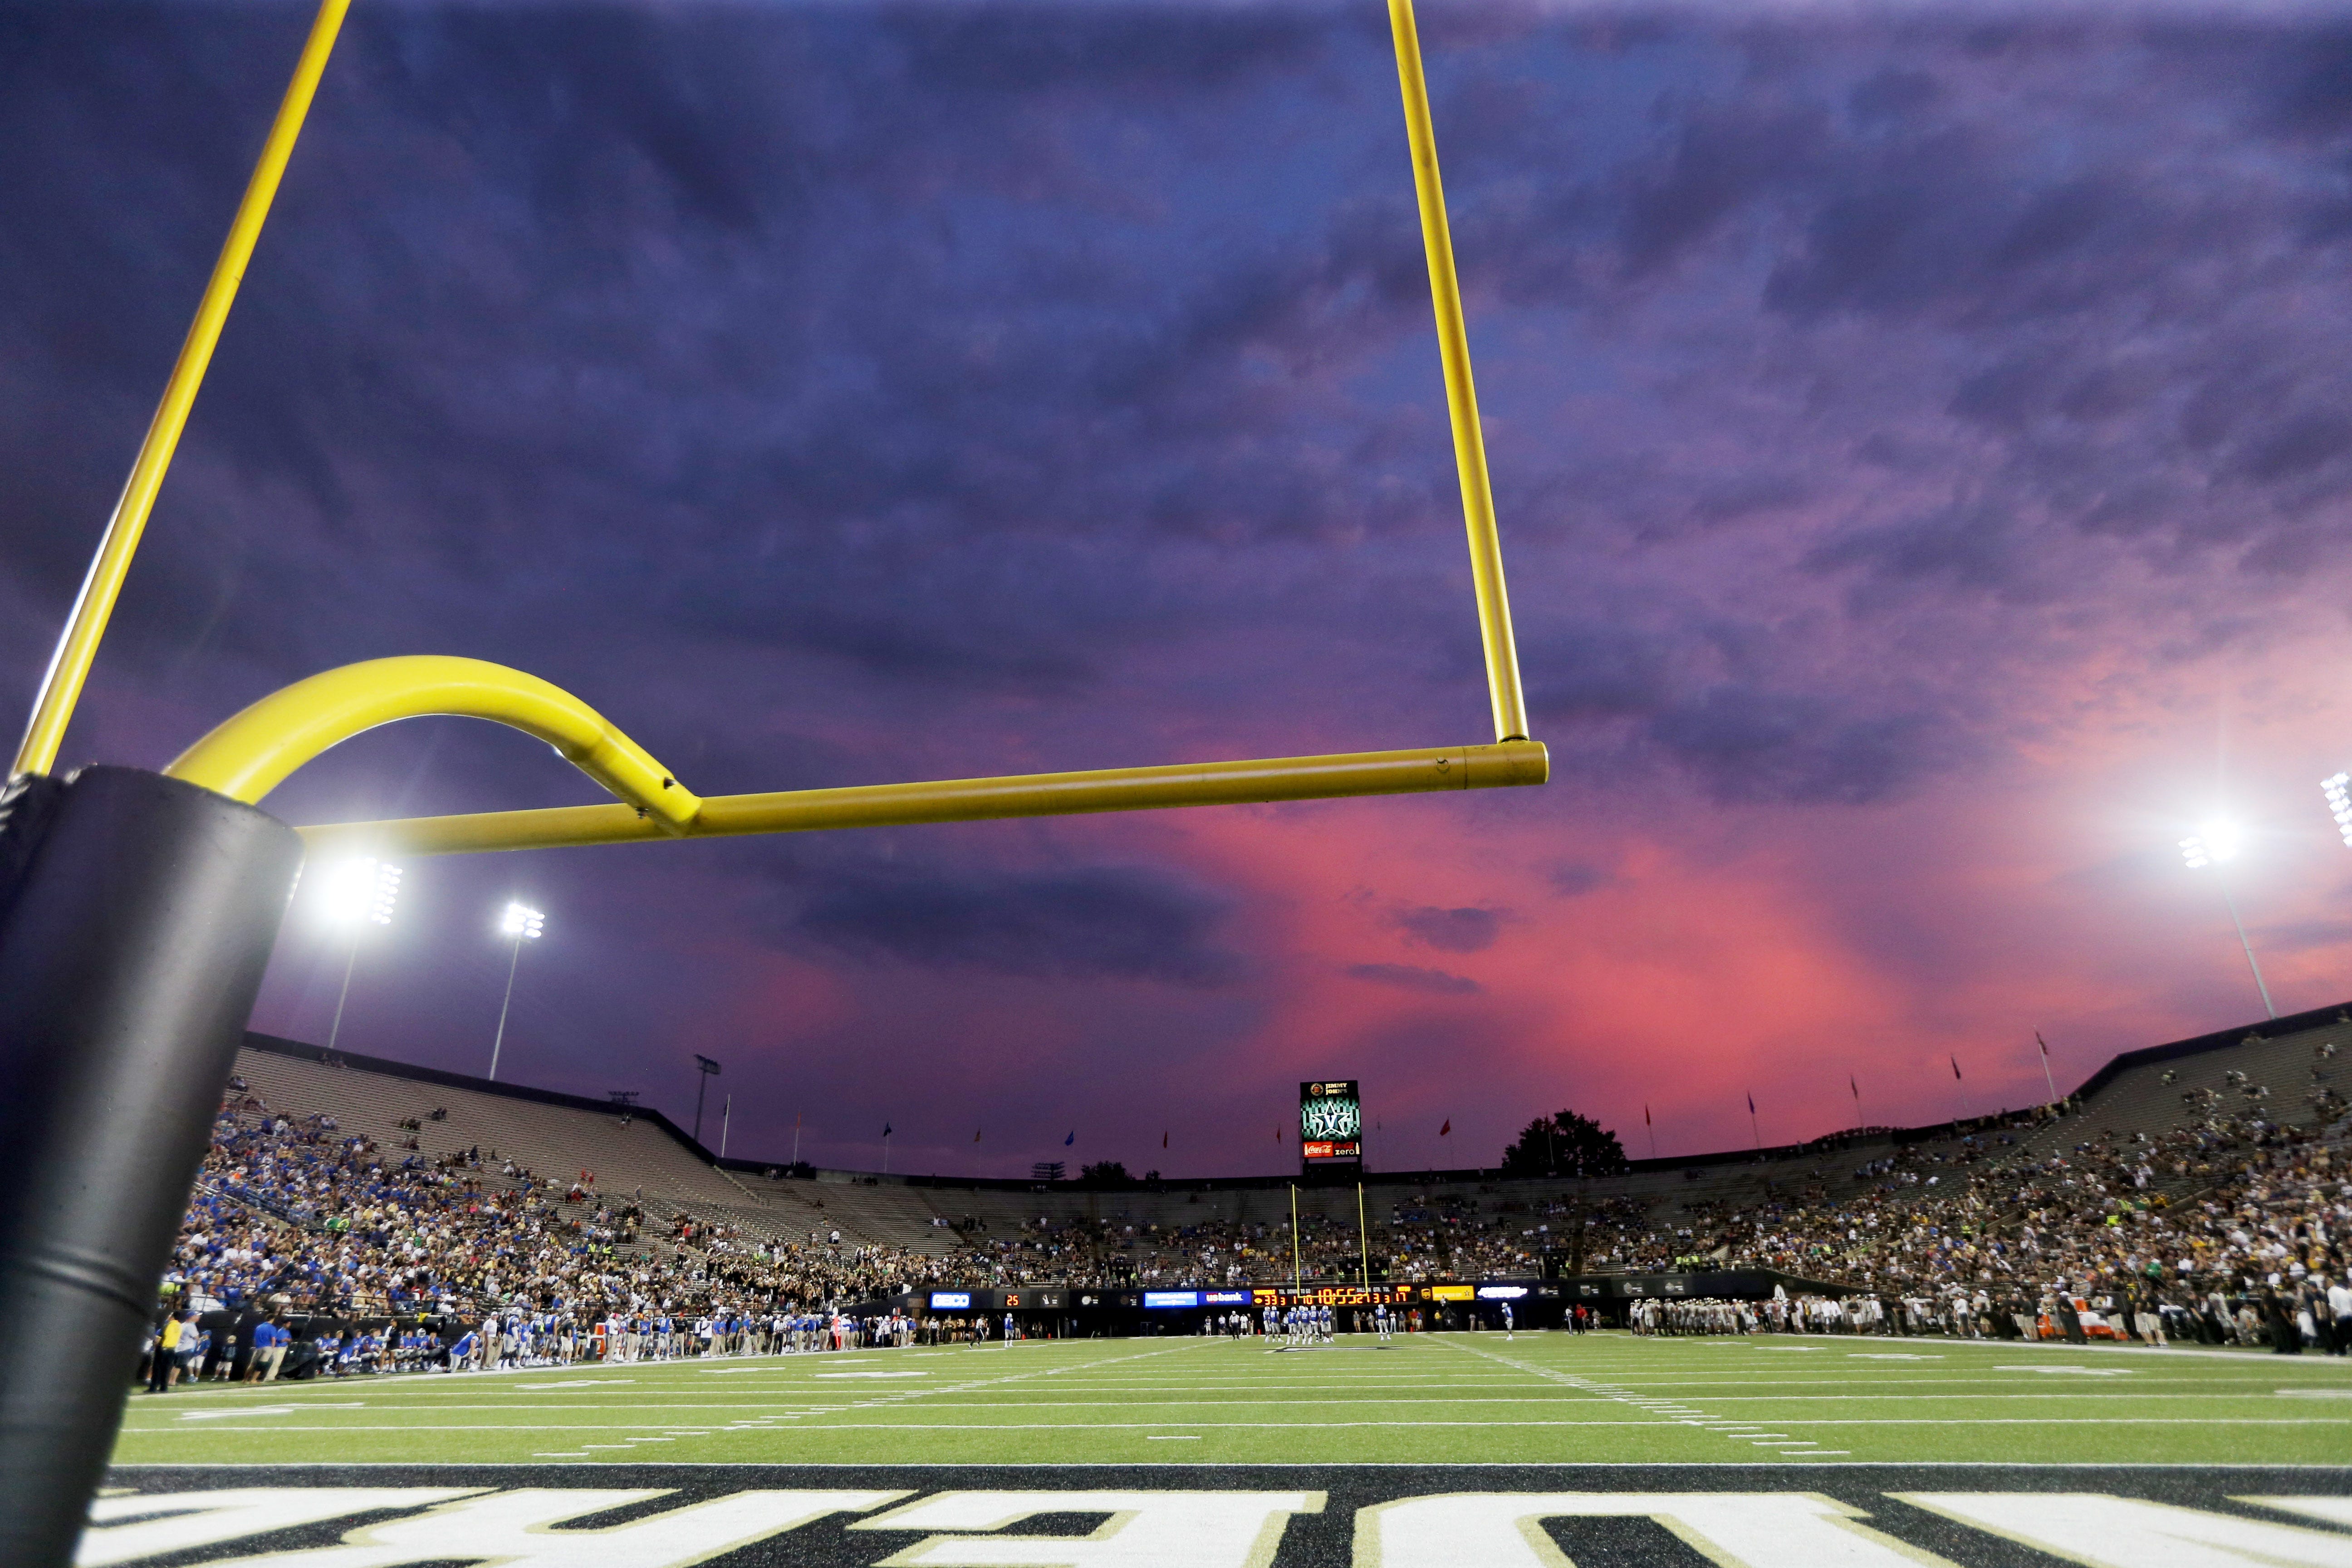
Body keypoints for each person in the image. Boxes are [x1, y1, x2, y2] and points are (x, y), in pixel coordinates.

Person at [149, 1310, 186, 1394]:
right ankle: (164, 1388)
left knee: (157, 1369)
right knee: (166, 1370)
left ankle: (153, 1388)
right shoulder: (179, 1326)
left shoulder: (167, 1325)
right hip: (172, 1349)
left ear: (172, 1317)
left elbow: (158, 1339)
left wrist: (155, 1345)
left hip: (163, 1349)